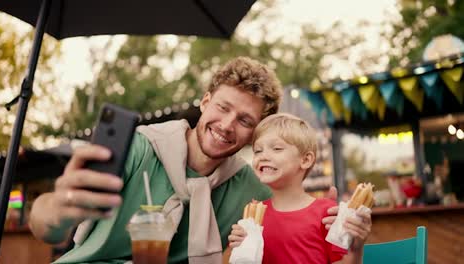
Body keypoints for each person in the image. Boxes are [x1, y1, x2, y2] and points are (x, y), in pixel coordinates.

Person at [29, 57, 340, 264]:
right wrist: (60, 209)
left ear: (255, 131)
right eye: (222, 107)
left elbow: (290, 223)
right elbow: (46, 227)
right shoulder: (138, 148)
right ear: (205, 102)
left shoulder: (249, 190)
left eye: (245, 120)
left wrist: (334, 222)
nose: (227, 125)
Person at [228, 113, 371, 264]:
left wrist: (356, 249)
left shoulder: (327, 213)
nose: (263, 156)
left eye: (276, 148)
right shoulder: (253, 218)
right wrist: (241, 248)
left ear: (305, 160)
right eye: (258, 151)